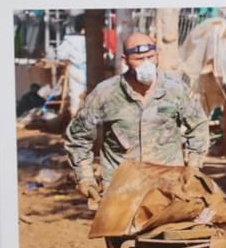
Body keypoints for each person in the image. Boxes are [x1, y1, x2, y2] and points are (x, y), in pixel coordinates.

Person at [64, 33, 209, 203]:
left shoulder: (175, 89)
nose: (146, 64)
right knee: (117, 230)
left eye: (150, 57)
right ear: (125, 59)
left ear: (157, 56)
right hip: (120, 191)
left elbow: (198, 125)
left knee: (169, 229)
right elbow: (78, 136)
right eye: (139, 59)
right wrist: (85, 178)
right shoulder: (106, 93)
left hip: (168, 188)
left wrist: (193, 167)